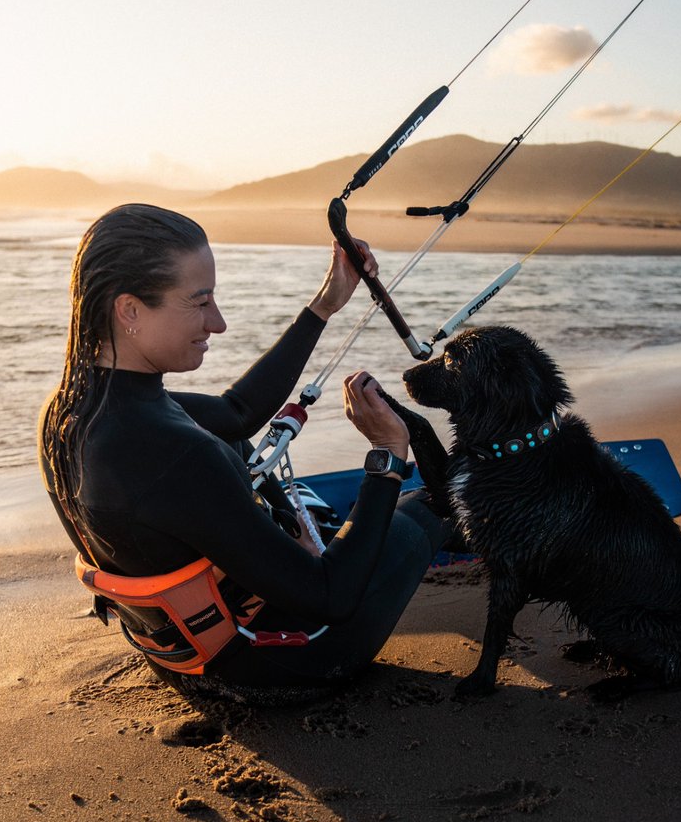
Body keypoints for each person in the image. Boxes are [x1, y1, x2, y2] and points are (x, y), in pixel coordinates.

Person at [39, 203, 451, 701]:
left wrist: (325, 304)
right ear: (129, 310)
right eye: (200, 302)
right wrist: (387, 453)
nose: (219, 323)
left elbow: (237, 413)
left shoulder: (71, 410)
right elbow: (332, 597)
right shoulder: (177, 454)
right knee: (429, 510)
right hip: (284, 659)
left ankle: (304, 536)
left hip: (179, 651)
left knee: (233, 439)